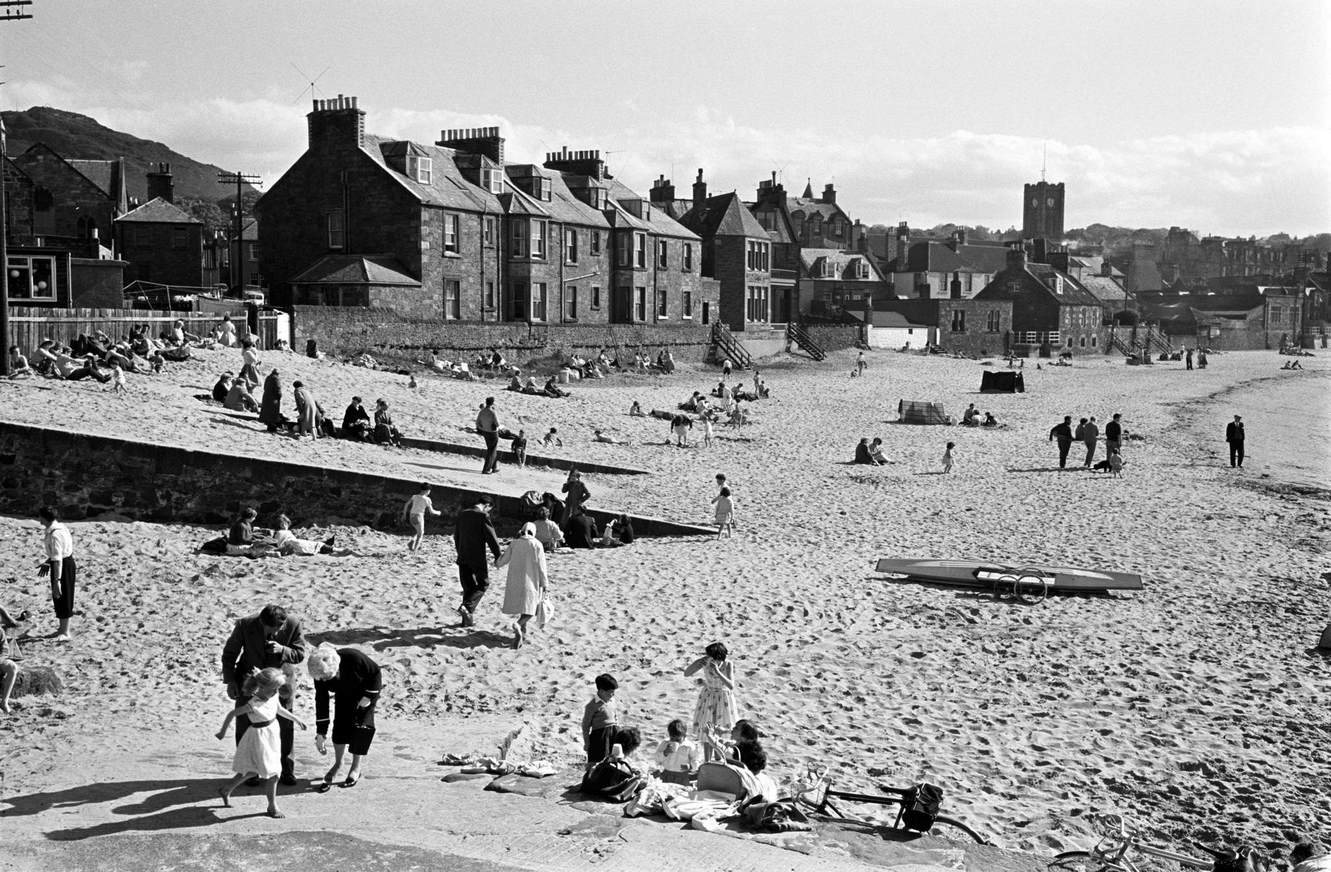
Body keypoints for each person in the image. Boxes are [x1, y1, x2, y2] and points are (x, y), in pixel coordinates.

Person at [220, 604, 308, 785]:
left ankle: (286, 770)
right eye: (268, 628)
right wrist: (230, 681)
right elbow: (230, 654)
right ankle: (249, 771)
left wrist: (282, 650)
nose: (272, 632)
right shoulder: (245, 625)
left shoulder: (293, 623)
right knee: (245, 726)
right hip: (250, 683)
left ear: (283, 625)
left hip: (280, 683)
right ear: (261, 621)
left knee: (285, 726)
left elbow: (299, 654)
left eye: (276, 629)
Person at [215, 667, 308, 818]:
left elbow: (278, 709)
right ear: (262, 687)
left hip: (272, 734)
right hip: (259, 738)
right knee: (273, 773)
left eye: (277, 688)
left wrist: (297, 719)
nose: (276, 692)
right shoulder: (254, 703)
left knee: (252, 770)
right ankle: (272, 807)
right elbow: (232, 713)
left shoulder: (273, 694)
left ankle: (226, 789)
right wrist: (222, 732)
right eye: (273, 689)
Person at [308, 644, 382, 791]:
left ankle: (356, 766)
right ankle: (338, 763)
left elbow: (375, 673)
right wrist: (321, 733)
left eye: (327, 677)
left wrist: (369, 695)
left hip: (364, 694)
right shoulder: (319, 672)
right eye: (322, 678)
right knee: (340, 726)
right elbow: (321, 701)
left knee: (362, 728)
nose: (324, 681)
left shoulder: (353, 657)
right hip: (344, 694)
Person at [497, 522, 549, 649]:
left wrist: (497, 563)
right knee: (531, 609)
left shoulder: (514, 543)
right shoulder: (537, 544)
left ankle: (521, 636)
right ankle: (519, 624)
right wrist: (545, 583)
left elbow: (504, 559)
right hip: (531, 580)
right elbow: (542, 566)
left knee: (523, 607)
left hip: (515, 580)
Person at [454, 496, 501, 628]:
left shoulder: (462, 514)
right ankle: (467, 607)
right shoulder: (482, 516)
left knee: (468, 588)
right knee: (483, 584)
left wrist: (459, 552)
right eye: (489, 510)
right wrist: (498, 556)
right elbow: (491, 538)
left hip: (462, 555)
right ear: (487, 506)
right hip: (477, 557)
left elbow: (456, 536)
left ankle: (466, 620)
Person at [685, 642, 737, 762]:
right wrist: (698, 662)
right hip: (708, 697)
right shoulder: (706, 661)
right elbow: (687, 673)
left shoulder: (728, 664)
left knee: (720, 731)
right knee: (707, 730)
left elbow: (731, 685)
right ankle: (707, 761)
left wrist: (718, 672)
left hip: (723, 698)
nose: (709, 658)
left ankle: (719, 760)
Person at [37, 506, 76, 642]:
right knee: (58, 598)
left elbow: (59, 559)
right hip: (61, 563)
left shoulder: (55, 534)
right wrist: (48, 562)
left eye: (40, 517)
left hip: (63, 566)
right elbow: (56, 554)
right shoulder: (60, 528)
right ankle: (61, 629)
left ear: (44, 518)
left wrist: (57, 581)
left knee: (63, 596)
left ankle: (65, 632)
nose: (39, 519)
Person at [581, 673, 620, 770]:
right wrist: (587, 743)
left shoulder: (612, 701)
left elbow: (615, 716)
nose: (612, 695)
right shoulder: (592, 705)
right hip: (600, 737)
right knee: (597, 762)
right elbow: (585, 726)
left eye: (613, 692)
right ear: (602, 691)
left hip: (613, 733)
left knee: (613, 759)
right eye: (610, 693)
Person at [654, 718, 703, 784]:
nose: (674, 741)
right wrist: (665, 753)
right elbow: (657, 759)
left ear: (684, 735)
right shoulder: (665, 743)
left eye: (678, 739)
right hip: (666, 774)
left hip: (682, 777)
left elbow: (696, 759)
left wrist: (690, 766)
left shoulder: (689, 746)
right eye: (672, 738)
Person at [402, 483, 441, 551]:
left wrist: (404, 515)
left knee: (418, 531)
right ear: (427, 490)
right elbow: (431, 511)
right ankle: (415, 549)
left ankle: (412, 543)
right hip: (419, 516)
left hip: (411, 516)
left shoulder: (414, 496)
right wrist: (439, 513)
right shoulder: (427, 499)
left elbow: (406, 504)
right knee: (421, 534)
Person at [270, 515, 335, 556]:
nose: (288, 526)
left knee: (311, 543)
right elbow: (282, 543)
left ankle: (325, 543)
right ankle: (330, 547)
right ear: (282, 525)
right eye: (287, 524)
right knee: (313, 545)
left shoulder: (279, 533)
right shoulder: (282, 532)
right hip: (293, 545)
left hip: (292, 544)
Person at [477, 396, 500, 475]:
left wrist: (483, 427)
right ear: (492, 403)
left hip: (485, 432)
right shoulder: (492, 412)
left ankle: (494, 467)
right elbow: (497, 424)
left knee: (492, 449)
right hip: (493, 433)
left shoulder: (482, 411)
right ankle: (486, 469)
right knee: (491, 451)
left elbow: (477, 423)